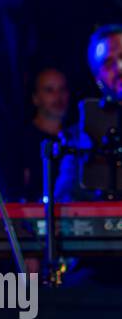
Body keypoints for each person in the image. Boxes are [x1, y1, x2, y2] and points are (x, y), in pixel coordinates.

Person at [56, 25, 122, 201]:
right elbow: (66, 202)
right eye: (109, 63)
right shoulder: (80, 136)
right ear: (98, 79)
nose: (120, 68)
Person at [20, 67, 70, 200]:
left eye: (62, 89)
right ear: (35, 98)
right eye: (49, 90)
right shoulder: (21, 142)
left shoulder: (77, 139)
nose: (58, 97)